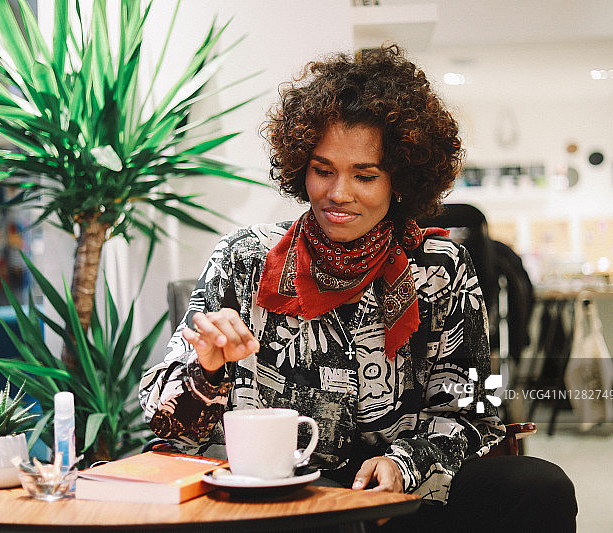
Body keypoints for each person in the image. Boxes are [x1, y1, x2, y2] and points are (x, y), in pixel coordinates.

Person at [139, 45, 576, 532]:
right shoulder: (243, 259)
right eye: (323, 170)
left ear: (401, 182)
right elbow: (165, 423)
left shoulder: (440, 268)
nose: (338, 193)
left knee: (538, 487)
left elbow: (468, 412)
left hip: (396, 498)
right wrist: (207, 370)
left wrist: (403, 466)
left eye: (364, 175)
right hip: (273, 501)